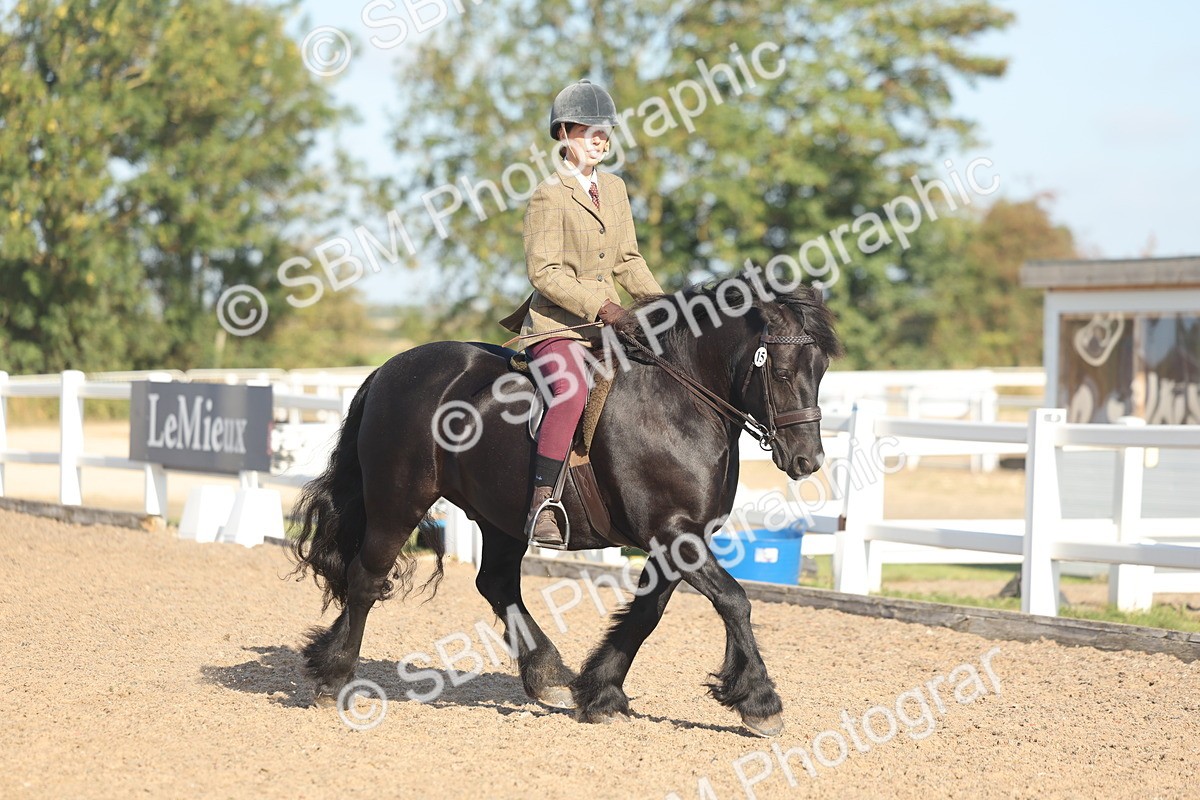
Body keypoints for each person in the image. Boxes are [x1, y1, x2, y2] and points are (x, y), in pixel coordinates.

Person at [499, 79, 664, 547]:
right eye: (590, 130)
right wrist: (603, 305)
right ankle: (543, 503)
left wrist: (664, 307)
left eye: (605, 131)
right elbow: (544, 272)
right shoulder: (548, 195)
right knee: (570, 393)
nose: (601, 138)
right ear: (564, 133)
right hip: (558, 326)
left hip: (608, 325)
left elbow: (628, 261)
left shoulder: (613, 189)